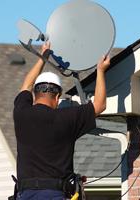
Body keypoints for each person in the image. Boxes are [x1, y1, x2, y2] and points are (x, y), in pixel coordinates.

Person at [13, 42, 110, 200]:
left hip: (26, 194)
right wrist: (100, 70)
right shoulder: (67, 118)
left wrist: (43, 57)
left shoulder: (21, 113)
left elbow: (26, 85)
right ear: (57, 98)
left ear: (35, 93)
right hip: (54, 194)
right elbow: (100, 105)